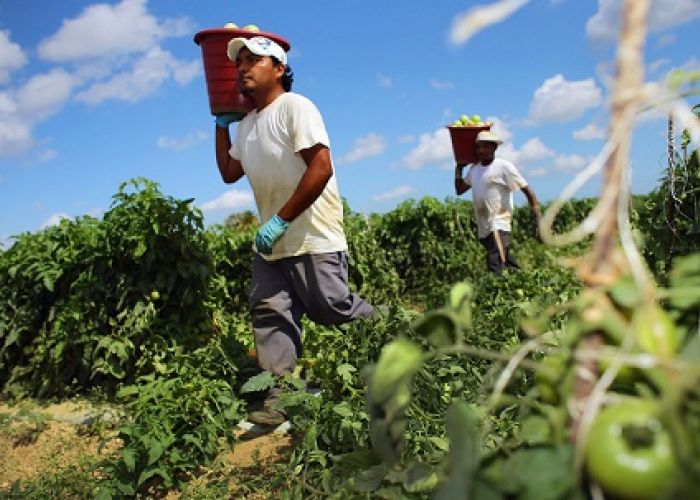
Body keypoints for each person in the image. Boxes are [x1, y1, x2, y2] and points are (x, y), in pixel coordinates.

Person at [213, 36, 374, 426]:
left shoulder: (295, 108)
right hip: (272, 243)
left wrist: (282, 219)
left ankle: (398, 336)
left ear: (279, 69)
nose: (243, 68)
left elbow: (321, 167)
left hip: (310, 232)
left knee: (331, 306)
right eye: (240, 63)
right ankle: (279, 396)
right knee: (269, 314)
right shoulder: (249, 124)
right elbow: (229, 173)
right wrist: (221, 123)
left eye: (254, 61)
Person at [454, 130, 541, 274]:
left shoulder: (504, 167)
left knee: (495, 260)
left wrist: (538, 217)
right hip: (483, 222)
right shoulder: (474, 169)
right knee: (503, 257)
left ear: (494, 148)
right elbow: (460, 189)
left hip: (500, 220)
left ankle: (495, 290)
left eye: (486, 147)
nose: (481, 150)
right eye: (479, 147)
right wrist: (458, 169)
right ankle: (521, 280)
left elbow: (527, 191)